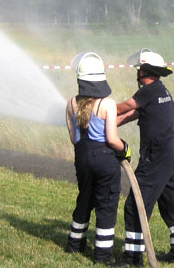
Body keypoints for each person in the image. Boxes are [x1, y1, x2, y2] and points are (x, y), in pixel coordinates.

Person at [115, 48, 174, 267]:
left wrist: (101, 110)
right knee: (171, 201)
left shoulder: (148, 91)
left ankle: (132, 258)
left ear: (144, 72)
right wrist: (111, 124)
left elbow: (124, 107)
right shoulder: (160, 90)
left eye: (139, 70)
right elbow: (133, 114)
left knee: (135, 205)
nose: (137, 74)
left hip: (157, 157)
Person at [64, 52, 131, 266]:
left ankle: (74, 244)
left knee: (85, 198)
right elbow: (112, 139)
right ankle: (103, 255)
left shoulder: (70, 104)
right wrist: (126, 149)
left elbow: (74, 139)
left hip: (82, 158)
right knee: (106, 203)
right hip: (104, 160)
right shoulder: (107, 104)